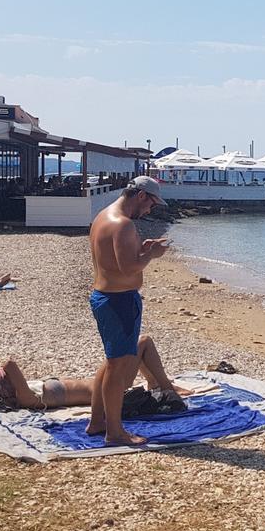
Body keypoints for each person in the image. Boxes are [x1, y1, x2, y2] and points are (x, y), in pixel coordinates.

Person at [87, 176, 169, 446]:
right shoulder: (123, 224)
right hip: (118, 300)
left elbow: (115, 259)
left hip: (105, 296)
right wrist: (153, 255)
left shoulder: (103, 216)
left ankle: (98, 421)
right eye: (151, 205)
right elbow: (128, 268)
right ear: (142, 196)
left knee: (111, 361)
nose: (149, 211)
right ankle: (115, 431)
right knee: (118, 367)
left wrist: (141, 249)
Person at [0, 335, 190, 409]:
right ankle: (167, 388)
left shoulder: (26, 395)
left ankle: (157, 384)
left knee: (138, 345)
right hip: (110, 390)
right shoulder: (28, 398)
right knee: (143, 341)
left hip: (103, 385)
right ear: (9, 389)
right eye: (3, 380)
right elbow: (9, 364)